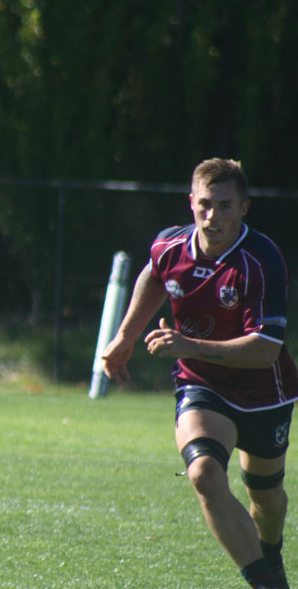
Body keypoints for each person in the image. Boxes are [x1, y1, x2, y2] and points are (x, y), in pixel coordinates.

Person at [101, 158, 297, 589]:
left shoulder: (262, 259)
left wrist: (188, 345)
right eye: (205, 204)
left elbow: (265, 350)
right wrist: (125, 337)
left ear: (244, 208)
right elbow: (155, 274)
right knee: (203, 474)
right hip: (202, 383)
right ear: (191, 202)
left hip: (265, 391)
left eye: (225, 206)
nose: (213, 216)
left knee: (266, 500)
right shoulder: (170, 244)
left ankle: (271, 554)